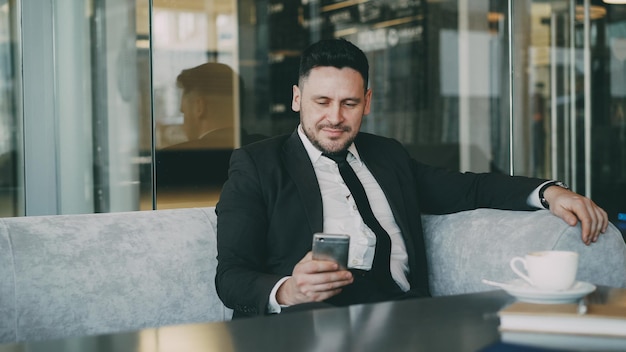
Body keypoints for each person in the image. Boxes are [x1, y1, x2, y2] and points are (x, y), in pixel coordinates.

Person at [215, 38, 608, 318]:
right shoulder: (257, 164)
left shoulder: (388, 156)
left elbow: (468, 188)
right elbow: (231, 276)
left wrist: (549, 193)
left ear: (367, 101)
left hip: (404, 317)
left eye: (349, 103)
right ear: (297, 98)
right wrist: (289, 290)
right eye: (322, 102)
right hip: (308, 323)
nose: (334, 117)